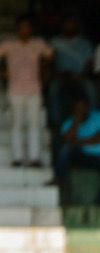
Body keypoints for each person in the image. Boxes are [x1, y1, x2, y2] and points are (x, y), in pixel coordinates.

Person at [0, 17, 54, 167]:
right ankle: (17, 158)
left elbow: (51, 54)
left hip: (34, 88)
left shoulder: (38, 44)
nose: (25, 30)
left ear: (31, 29)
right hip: (15, 89)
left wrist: (42, 65)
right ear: (17, 29)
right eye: (22, 27)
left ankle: (34, 158)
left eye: (27, 27)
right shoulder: (8, 45)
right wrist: (3, 72)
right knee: (16, 123)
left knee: (34, 123)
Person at [54, 98, 100, 204]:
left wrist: (78, 142)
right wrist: (77, 122)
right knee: (66, 149)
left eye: (82, 107)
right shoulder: (69, 122)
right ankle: (58, 178)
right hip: (83, 156)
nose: (80, 110)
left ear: (88, 107)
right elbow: (68, 139)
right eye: (77, 108)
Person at [49, 16, 95, 132]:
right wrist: (57, 73)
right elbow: (49, 61)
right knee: (53, 89)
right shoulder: (54, 41)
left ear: (76, 26)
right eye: (67, 24)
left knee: (91, 89)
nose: (69, 27)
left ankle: (92, 119)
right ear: (62, 26)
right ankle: (57, 121)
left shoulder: (84, 42)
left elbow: (90, 63)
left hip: (80, 76)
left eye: (72, 24)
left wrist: (81, 75)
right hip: (62, 77)